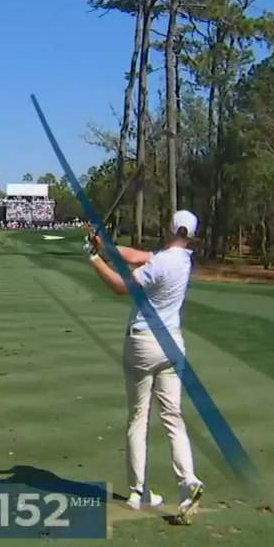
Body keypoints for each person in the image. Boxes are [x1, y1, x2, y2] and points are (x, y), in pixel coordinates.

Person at [86, 210, 206, 518]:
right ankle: (188, 482)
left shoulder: (161, 263)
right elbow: (137, 256)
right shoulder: (182, 260)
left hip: (143, 342)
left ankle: (138, 492)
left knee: (138, 417)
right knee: (173, 417)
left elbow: (120, 286)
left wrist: (95, 260)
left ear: (169, 228)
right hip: (172, 346)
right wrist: (105, 246)